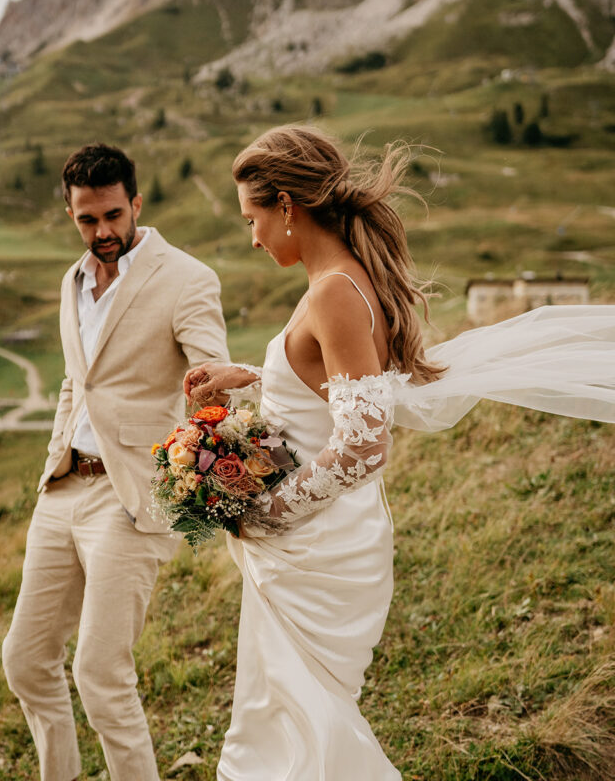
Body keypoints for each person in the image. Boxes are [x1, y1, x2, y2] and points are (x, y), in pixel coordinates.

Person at [185, 125, 615, 781]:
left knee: (283, 739)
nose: (253, 236)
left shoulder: (332, 290)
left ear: (288, 208)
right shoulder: (344, 279)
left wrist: (268, 510)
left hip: (318, 548)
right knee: (286, 724)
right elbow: (343, 388)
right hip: (330, 541)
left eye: (253, 219)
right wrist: (253, 376)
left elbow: (363, 443)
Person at [2, 142, 230, 781]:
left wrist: (188, 465)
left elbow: (209, 376)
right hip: (63, 490)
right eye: (86, 219)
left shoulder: (186, 278)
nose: (102, 232)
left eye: (111, 216)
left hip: (129, 499)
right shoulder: (72, 281)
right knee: (24, 661)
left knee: (100, 673)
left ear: (135, 203)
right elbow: (77, 384)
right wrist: (52, 465)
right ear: (71, 214)